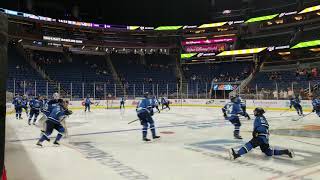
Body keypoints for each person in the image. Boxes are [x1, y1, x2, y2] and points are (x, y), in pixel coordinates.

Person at [229, 107, 294, 160]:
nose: (254, 112)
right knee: (268, 152)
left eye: (255, 111)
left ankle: (236, 154)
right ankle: (286, 151)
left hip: (260, 137)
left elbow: (263, 126)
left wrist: (257, 131)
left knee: (250, 144)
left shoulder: (259, 118)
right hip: (265, 138)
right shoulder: (262, 118)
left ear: (258, 112)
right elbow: (266, 126)